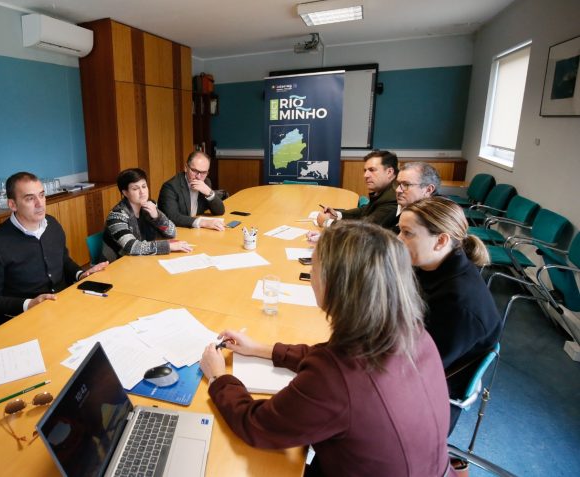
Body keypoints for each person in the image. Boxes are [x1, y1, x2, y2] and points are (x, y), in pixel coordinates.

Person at [200, 221, 450, 477]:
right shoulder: (414, 333)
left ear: (334, 283)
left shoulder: (333, 377)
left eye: (314, 265)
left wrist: (219, 378)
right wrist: (263, 349)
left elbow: (256, 426)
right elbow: (328, 358)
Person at [398, 196, 501, 432]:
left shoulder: (460, 304)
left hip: (426, 401)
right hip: (410, 366)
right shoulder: (430, 268)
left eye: (407, 233)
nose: (398, 239)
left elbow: (414, 366)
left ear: (441, 240)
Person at [0, 172, 107, 337]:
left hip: (60, 307)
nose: (40, 204)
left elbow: (63, 260)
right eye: (30, 198)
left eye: (42, 195)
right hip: (22, 320)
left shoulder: (52, 225)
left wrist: (81, 275)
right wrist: (29, 304)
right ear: (12, 204)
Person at [102, 168, 192, 261]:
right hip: (116, 265)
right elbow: (131, 247)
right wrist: (168, 246)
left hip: (141, 260)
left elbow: (172, 232)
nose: (142, 192)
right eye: (135, 189)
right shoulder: (116, 216)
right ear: (125, 193)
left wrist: (157, 216)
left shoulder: (149, 205)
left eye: (144, 186)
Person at [317, 150, 399, 230]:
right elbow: (365, 211)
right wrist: (337, 215)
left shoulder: (394, 199)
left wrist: (327, 223)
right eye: (365, 171)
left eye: (372, 170)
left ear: (389, 172)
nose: (366, 175)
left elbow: (363, 232)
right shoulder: (385, 192)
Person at [158, 150, 225, 231]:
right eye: (195, 171)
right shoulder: (170, 187)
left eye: (204, 172)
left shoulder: (206, 182)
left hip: (195, 231)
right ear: (186, 168)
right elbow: (173, 217)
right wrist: (203, 222)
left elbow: (220, 211)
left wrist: (209, 193)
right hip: (177, 232)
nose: (199, 177)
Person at [393, 161, 441, 231]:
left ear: (428, 190)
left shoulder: (434, 219)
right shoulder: (404, 205)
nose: (398, 190)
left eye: (406, 184)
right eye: (398, 184)